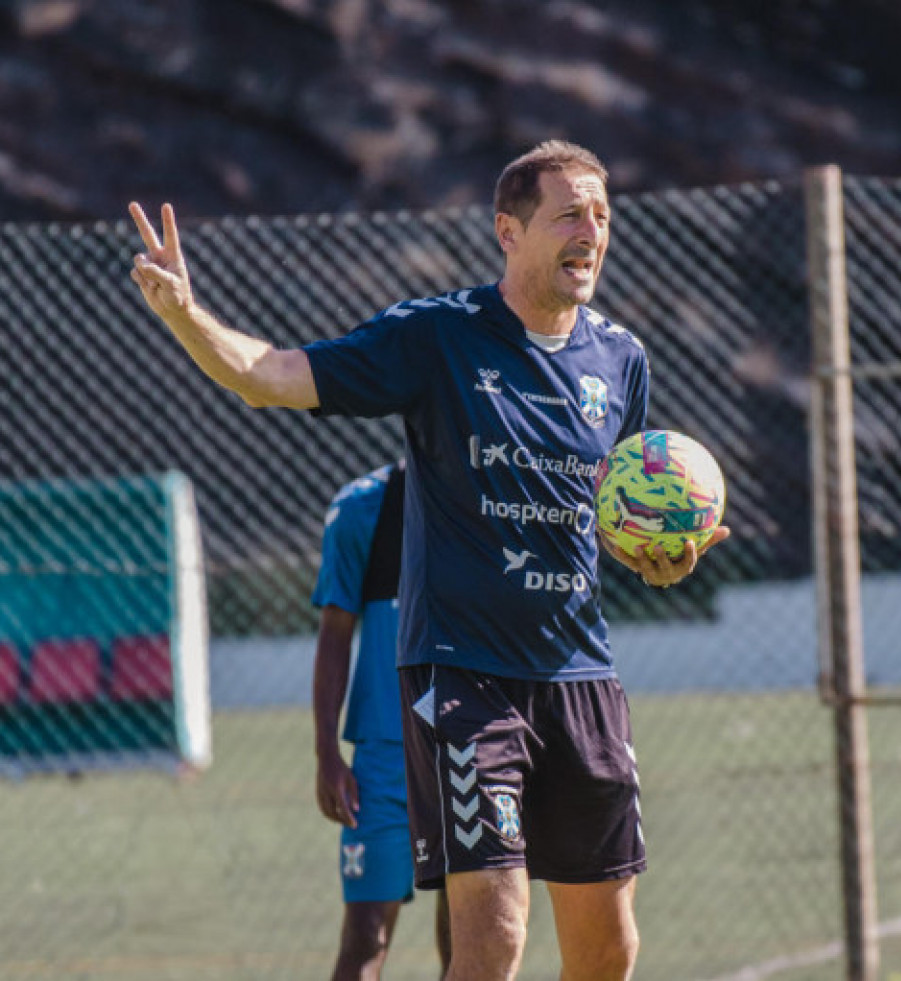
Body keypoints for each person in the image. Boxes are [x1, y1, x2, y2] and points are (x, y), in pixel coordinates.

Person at [128, 139, 729, 981]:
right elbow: (271, 376)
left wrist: (659, 559)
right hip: (462, 675)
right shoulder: (440, 337)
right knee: (494, 936)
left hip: (580, 674)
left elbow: (614, 517)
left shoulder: (620, 360)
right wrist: (186, 314)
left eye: (601, 215)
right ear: (507, 232)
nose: (591, 230)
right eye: (568, 214)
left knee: (609, 949)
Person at [312, 459, 450, 980]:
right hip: (384, 761)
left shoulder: (496, 501)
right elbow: (334, 633)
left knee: (469, 938)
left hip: (474, 748)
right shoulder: (361, 508)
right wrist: (327, 752)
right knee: (366, 939)